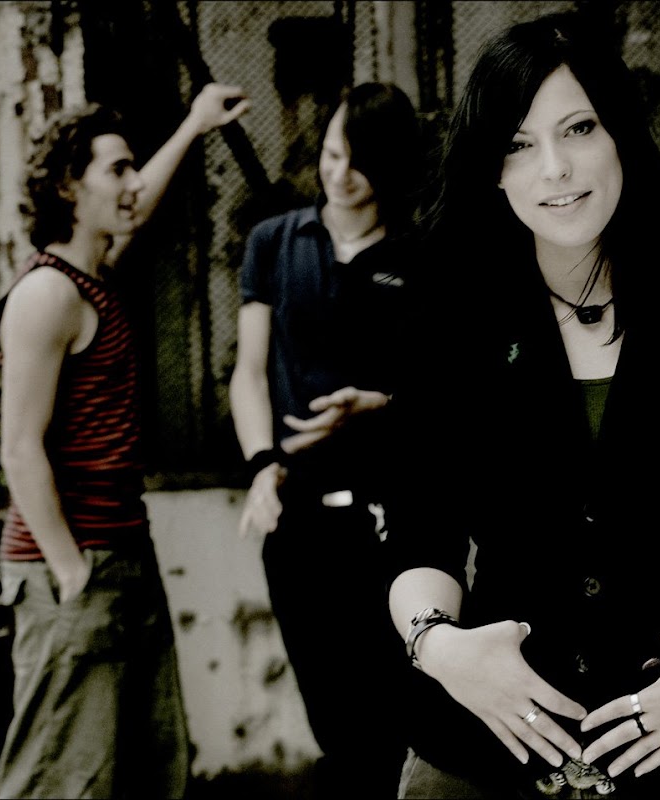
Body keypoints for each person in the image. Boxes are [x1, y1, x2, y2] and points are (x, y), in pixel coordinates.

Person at [384, 11, 660, 800]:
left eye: (579, 128)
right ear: (493, 170)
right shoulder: (451, 333)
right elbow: (419, 531)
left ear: (622, 134)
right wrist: (441, 648)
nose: (555, 168)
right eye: (519, 144)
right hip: (477, 755)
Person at [0, 84, 250, 799]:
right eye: (117, 169)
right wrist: (70, 572)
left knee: (145, 772)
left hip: (124, 555)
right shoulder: (47, 295)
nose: (134, 181)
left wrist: (195, 125)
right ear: (68, 187)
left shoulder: (94, 276)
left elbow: (142, 203)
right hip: (76, 566)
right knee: (62, 780)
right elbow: (19, 449)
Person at [228, 82, 424, 798]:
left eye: (359, 160)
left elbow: (448, 389)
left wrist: (375, 406)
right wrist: (262, 467)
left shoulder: (420, 256)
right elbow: (249, 373)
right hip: (299, 522)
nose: (339, 174)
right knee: (333, 720)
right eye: (332, 154)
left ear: (390, 166)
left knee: (394, 714)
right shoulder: (274, 242)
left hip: (391, 520)